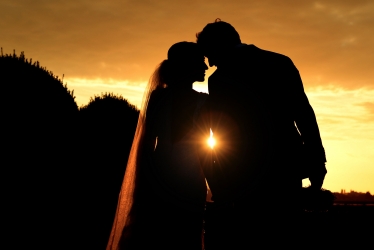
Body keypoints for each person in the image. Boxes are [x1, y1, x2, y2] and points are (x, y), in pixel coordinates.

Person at [196, 20, 327, 248]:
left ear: (217, 47)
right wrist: (317, 159)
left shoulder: (220, 80)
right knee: (286, 233)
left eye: (209, 54)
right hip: (286, 164)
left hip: (242, 172)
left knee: (252, 236)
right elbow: (304, 113)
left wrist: (217, 177)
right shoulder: (280, 62)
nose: (209, 62)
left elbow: (220, 129)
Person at [106, 42, 209, 250]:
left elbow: (148, 140)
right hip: (189, 176)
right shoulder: (204, 102)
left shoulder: (158, 97)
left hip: (159, 170)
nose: (206, 67)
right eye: (201, 63)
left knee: (156, 234)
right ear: (188, 66)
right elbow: (205, 151)